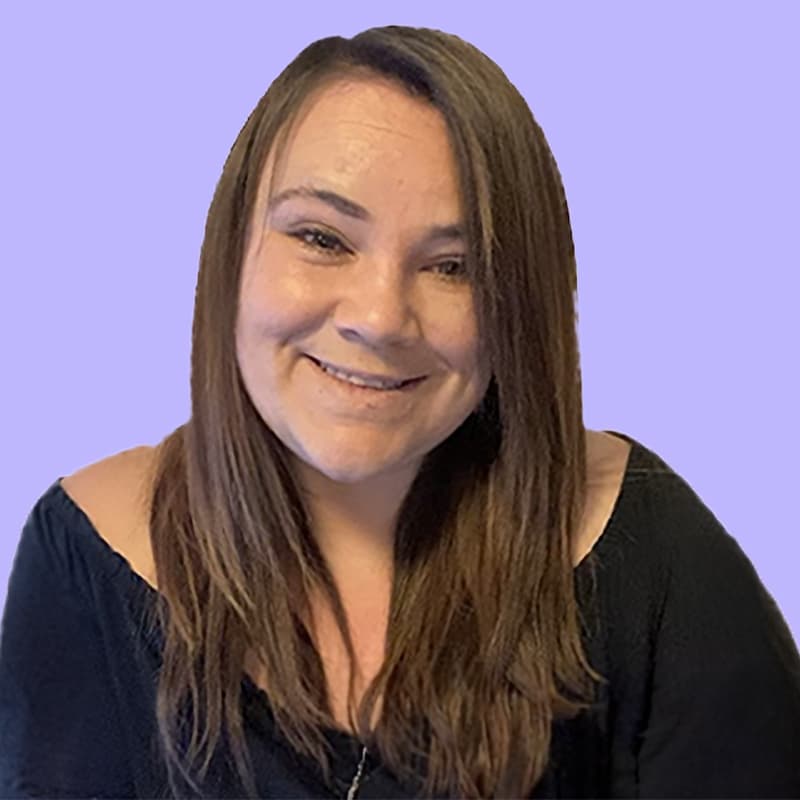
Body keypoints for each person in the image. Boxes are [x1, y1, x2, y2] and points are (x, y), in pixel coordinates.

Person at [2, 24, 799, 800]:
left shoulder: (653, 549)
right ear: (231, 249)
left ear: (520, 306)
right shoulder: (85, 555)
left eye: (454, 265)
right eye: (322, 237)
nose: (380, 318)